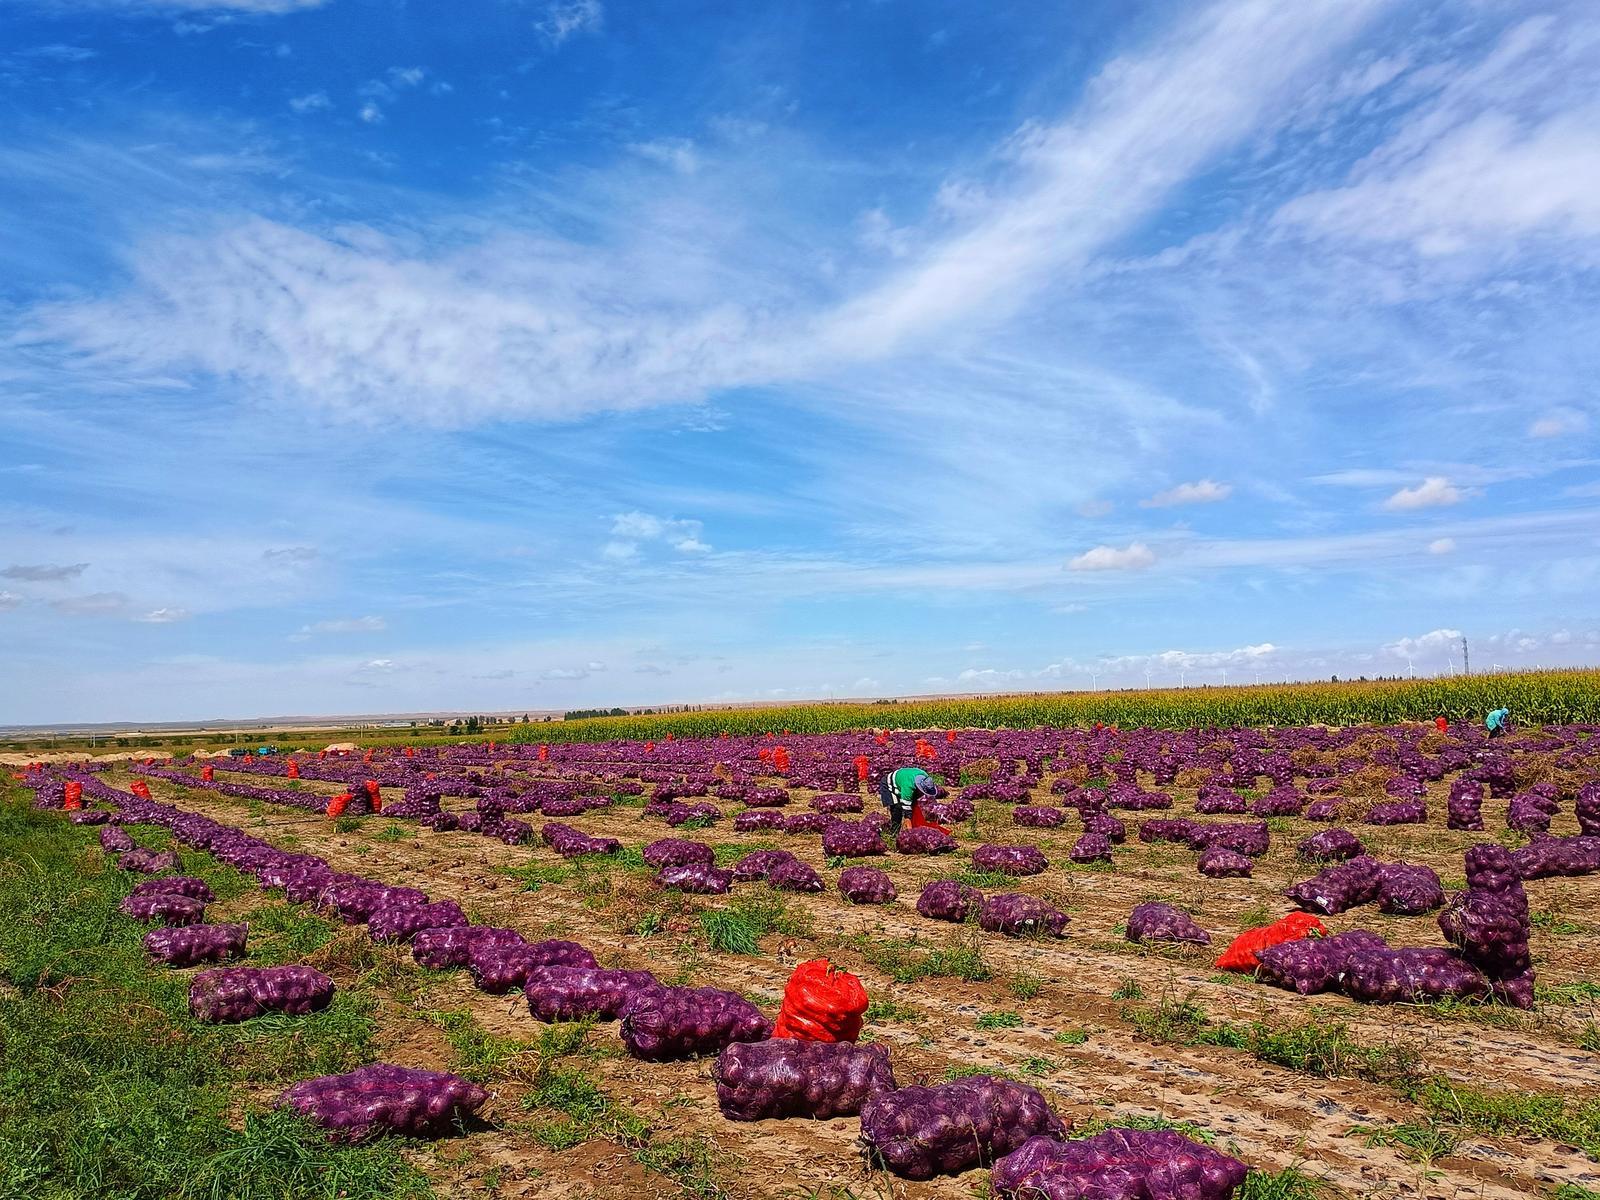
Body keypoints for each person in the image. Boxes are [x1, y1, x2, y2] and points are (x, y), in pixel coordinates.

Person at [879, 765, 938, 837]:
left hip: (903, 780)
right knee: (897, 809)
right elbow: (907, 810)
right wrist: (910, 831)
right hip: (889, 784)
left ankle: (910, 826)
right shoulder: (908, 787)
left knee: (911, 806)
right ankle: (894, 833)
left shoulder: (925, 778)